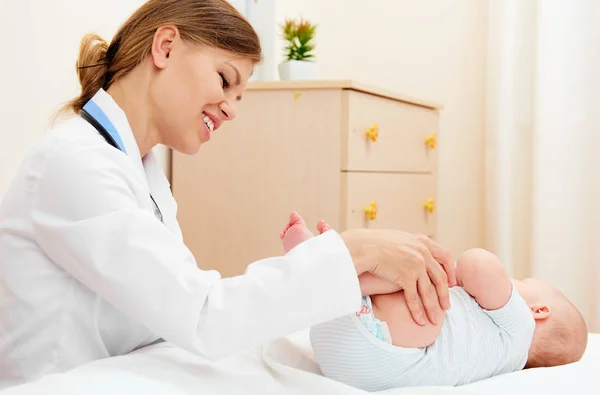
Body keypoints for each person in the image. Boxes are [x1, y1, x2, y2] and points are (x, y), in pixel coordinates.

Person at [0, 0, 457, 389]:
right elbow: (201, 316)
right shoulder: (76, 163)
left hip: (128, 369)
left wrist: (345, 275)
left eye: (240, 95)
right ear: (165, 47)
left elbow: (181, 306)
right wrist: (350, 254)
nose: (232, 110)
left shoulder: (138, 169)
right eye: (225, 80)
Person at [279, 212, 588, 392]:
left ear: (538, 311)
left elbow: (479, 264)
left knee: (426, 278)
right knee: (420, 289)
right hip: (360, 363)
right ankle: (334, 273)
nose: (513, 285)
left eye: (524, 283)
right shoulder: (500, 357)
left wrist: (454, 273)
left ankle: (331, 265)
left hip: (381, 343)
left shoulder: (520, 326)